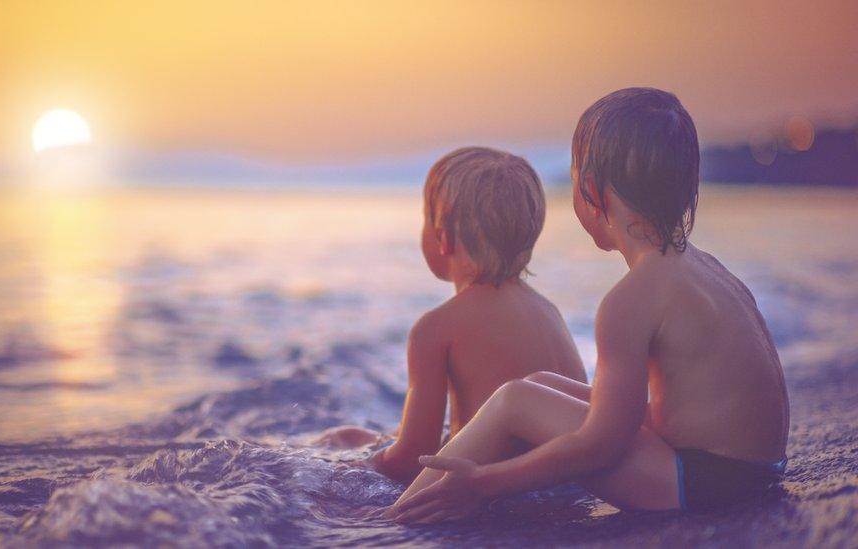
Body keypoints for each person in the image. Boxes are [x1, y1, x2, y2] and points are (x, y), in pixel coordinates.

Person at [388, 88, 790, 522]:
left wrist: (487, 481)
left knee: (515, 400)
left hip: (705, 485)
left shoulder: (631, 300)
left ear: (592, 193)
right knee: (540, 382)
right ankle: (427, 493)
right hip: (746, 470)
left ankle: (396, 518)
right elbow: (659, 411)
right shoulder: (703, 269)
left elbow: (601, 447)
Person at [316, 146, 586, 485]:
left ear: (443, 239)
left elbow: (412, 458)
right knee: (359, 436)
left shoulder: (436, 329)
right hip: (559, 484)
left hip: (489, 496)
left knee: (338, 440)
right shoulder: (549, 312)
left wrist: (346, 466)